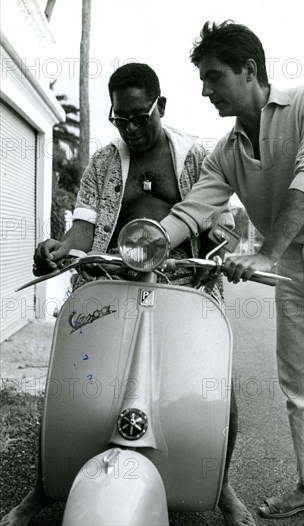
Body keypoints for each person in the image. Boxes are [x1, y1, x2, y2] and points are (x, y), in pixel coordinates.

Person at [0, 63, 255, 526]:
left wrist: (217, 256)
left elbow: (226, 228)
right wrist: (60, 248)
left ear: (161, 106)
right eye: (121, 119)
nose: (132, 128)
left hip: (184, 289)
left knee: (218, 390)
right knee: (68, 385)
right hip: (110, 287)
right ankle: (41, 487)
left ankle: (221, 489)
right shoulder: (102, 162)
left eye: (141, 116)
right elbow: (82, 230)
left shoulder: (197, 159)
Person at [147, 22, 304, 526]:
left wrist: (266, 252)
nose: (205, 90)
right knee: (299, 385)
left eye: (214, 76)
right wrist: (144, 246)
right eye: (202, 79)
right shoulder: (226, 151)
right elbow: (193, 210)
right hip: (290, 266)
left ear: (250, 70)